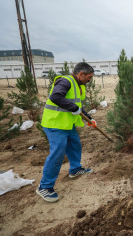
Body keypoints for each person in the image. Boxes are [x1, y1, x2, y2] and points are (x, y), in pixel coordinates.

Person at [37, 62, 95, 202]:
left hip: (67, 124)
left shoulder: (79, 86)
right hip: (55, 124)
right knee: (58, 153)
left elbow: (78, 107)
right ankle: (44, 187)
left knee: (75, 145)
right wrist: (73, 107)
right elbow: (55, 97)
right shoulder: (65, 81)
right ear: (80, 74)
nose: (90, 80)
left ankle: (75, 169)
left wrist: (90, 118)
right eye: (89, 77)